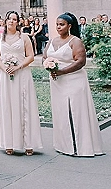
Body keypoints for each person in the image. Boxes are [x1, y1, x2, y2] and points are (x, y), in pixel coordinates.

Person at [43, 12, 103, 157]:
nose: (58, 27)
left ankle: (79, 146)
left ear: (69, 26)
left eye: (62, 24)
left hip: (74, 80)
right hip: (57, 82)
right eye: (57, 24)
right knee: (61, 111)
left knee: (75, 111)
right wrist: (49, 65)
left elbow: (80, 62)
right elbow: (45, 56)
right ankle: (64, 145)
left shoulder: (75, 41)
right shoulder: (52, 41)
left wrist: (62, 71)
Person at [0, 10, 42, 156]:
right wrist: (5, 68)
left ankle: (28, 144)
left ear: (18, 22)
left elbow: (31, 56)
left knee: (24, 105)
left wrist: (18, 66)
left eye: (14, 19)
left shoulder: (24, 37)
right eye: (9, 19)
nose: (11, 21)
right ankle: (9, 143)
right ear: (5, 21)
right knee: (8, 106)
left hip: (22, 74)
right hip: (5, 75)